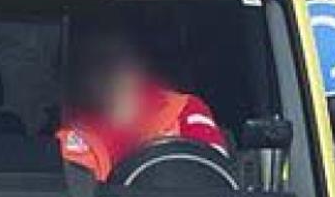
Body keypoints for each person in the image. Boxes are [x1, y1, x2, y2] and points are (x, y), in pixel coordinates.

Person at [56, 29, 229, 182]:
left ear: (137, 64)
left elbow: (217, 178)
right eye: (95, 64)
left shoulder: (185, 110)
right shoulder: (68, 132)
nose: (108, 73)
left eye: (117, 61)